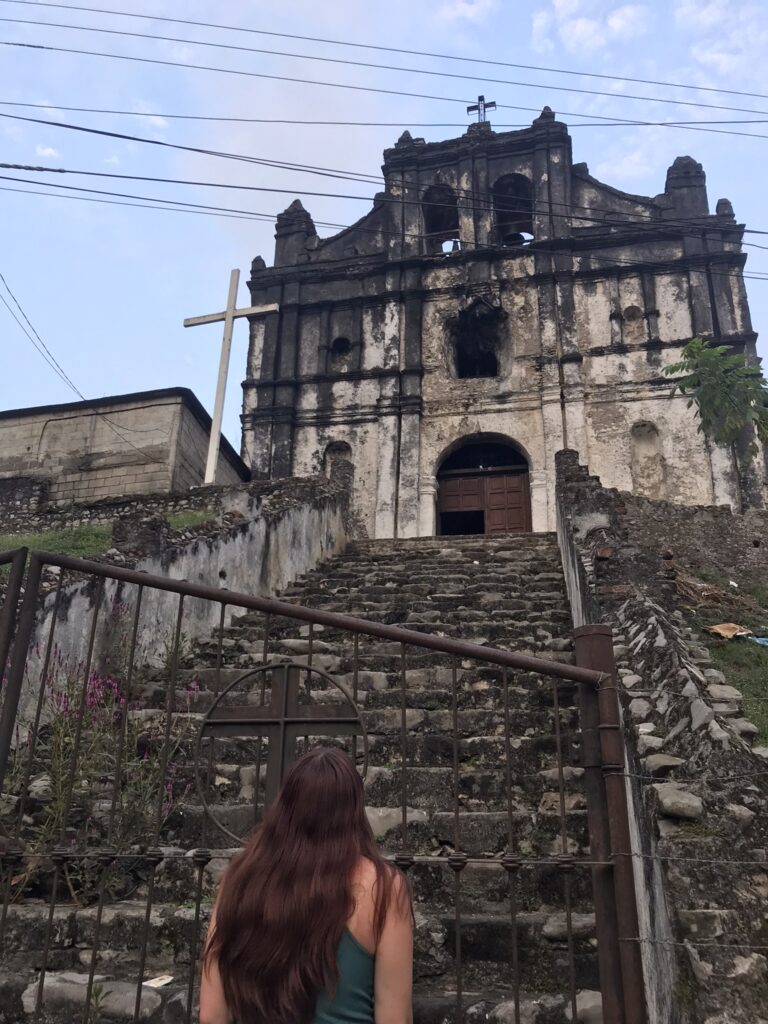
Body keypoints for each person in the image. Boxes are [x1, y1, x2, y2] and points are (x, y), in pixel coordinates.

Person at [200, 747, 413, 1024]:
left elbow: (212, 1015)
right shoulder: (383, 888)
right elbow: (395, 1019)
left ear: (285, 806)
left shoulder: (240, 880)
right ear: (353, 810)